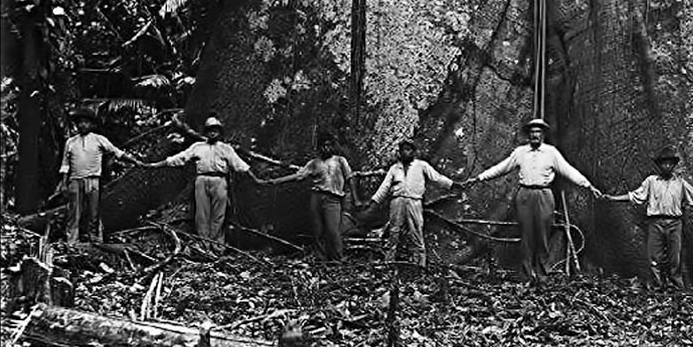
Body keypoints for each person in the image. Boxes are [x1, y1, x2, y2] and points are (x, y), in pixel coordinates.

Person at [467, 118, 603, 283]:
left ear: (543, 135)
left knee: (543, 234)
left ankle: (542, 274)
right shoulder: (520, 152)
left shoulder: (551, 152)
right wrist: (480, 177)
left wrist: (588, 185)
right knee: (526, 235)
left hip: (544, 195)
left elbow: (569, 170)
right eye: (532, 132)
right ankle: (526, 275)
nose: (535, 135)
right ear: (528, 135)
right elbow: (501, 167)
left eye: (538, 132)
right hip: (524, 195)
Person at [603, 147, 693, 290]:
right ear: (659, 165)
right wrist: (613, 198)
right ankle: (658, 286)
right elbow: (635, 196)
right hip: (655, 222)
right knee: (654, 257)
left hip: (675, 223)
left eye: (670, 164)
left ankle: (676, 287)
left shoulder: (680, 182)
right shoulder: (651, 181)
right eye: (664, 163)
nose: (667, 166)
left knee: (674, 257)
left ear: (674, 165)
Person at [146, 115, 261, 252]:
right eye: (210, 130)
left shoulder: (226, 148)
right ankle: (204, 245)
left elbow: (239, 164)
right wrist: (154, 165)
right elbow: (180, 157)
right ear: (206, 132)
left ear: (219, 132)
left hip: (220, 181)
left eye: (215, 130)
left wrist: (256, 179)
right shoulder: (198, 147)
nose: (212, 132)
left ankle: (217, 246)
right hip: (201, 180)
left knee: (219, 214)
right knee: (202, 214)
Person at [261, 133, 358, 261]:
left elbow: (350, 178)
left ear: (333, 147)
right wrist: (274, 181)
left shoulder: (340, 161)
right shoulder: (314, 163)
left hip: (333, 199)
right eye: (323, 146)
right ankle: (320, 259)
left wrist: (356, 199)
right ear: (319, 148)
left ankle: (337, 259)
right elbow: (298, 176)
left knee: (333, 231)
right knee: (317, 231)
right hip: (316, 197)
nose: (326, 148)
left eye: (329, 145)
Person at [58, 107, 146, 244]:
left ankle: (95, 240)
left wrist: (135, 161)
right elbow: (65, 164)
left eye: (85, 122)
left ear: (92, 125)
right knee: (74, 212)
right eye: (79, 122)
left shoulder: (99, 139)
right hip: (75, 180)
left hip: (93, 179)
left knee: (94, 211)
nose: (82, 125)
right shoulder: (71, 142)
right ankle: (72, 241)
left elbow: (117, 152)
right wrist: (64, 183)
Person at [368, 139, 460, 268]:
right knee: (394, 231)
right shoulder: (395, 168)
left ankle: (420, 266)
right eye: (403, 150)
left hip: (414, 201)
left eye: (408, 149)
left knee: (416, 230)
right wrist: (374, 202)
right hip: (397, 200)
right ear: (399, 152)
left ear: (413, 151)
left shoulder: (422, 165)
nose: (405, 153)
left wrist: (452, 185)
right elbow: (384, 187)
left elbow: (437, 177)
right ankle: (389, 263)